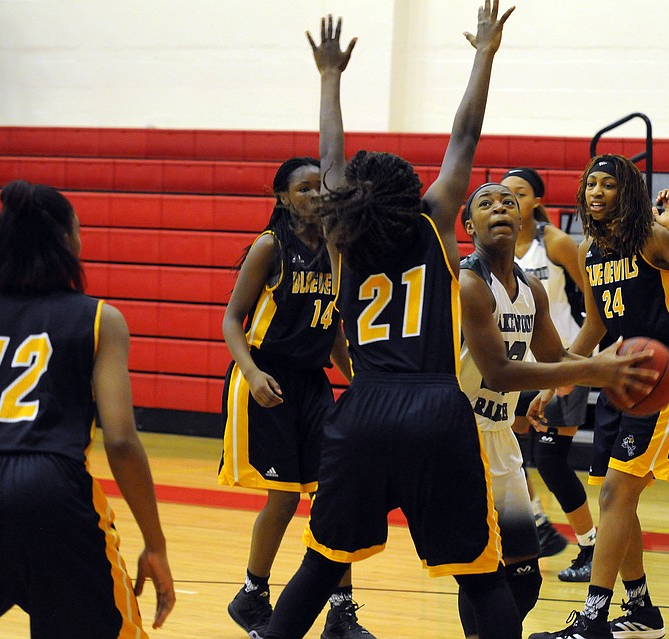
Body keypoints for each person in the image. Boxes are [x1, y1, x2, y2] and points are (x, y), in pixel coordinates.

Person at [262, 5, 522, 638]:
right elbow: (464, 136)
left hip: (364, 408)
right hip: (436, 408)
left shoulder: (339, 234)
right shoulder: (435, 221)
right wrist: (484, 54)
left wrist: (329, 77)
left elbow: (330, 156)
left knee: (322, 565)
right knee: (481, 577)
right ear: (411, 189)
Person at [528, 155, 669, 639]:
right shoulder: (588, 250)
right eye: (590, 184)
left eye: (608, 184)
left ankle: (593, 618)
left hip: (667, 369)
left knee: (618, 493)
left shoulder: (652, 238)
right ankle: (641, 612)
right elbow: (596, 325)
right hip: (621, 374)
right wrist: (555, 379)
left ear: (628, 193)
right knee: (615, 495)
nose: (596, 192)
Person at [457, 182, 659, 639]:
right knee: (483, 573)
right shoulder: (469, 283)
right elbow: (501, 373)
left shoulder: (531, 289)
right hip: (459, 437)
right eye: (486, 203)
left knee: (524, 578)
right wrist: (596, 370)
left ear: (523, 218)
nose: (500, 207)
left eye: (508, 202)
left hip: (499, 437)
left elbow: (555, 358)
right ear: (469, 226)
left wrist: (606, 369)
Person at [0, 180, 175, 637]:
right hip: (49, 489)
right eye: (78, 228)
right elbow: (120, 439)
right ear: (65, 240)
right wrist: (155, 543)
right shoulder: (99, 319)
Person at [218, 158, 374, 639]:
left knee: (335, 495)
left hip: (313, 383)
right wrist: (252, 373)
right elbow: (232, 320)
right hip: (267, 377)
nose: (314, 195)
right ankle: (252, 593)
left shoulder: (338, 249)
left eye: (319, 187)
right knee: (284, 498)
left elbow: (334, 332)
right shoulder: (270, 246)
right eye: (303, 188)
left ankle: (341, 613)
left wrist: (365, 382)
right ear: (282, 197)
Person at [501, 167, 597, 582]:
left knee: (551, 460)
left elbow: (594, 300)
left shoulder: (555, 242)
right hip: (518, 368)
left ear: (536, 201)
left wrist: (582, 358)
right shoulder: (497, 247)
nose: (509, 202)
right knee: (507, 450)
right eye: (503, 195)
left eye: (519, 194)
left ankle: (591, 547)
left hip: (562, 361)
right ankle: (538, 525)